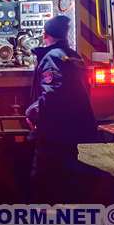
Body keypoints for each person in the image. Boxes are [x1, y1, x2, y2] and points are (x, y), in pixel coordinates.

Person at [26, 15, 97, 204]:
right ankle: (69, 216)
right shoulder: (73, 55)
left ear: (45, 35)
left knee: (43, 175)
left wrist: (32, 112)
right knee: (67, 170)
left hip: (54, 130)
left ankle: (46, 221)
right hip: (72, 127)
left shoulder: (52, 58)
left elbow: (53, 94)